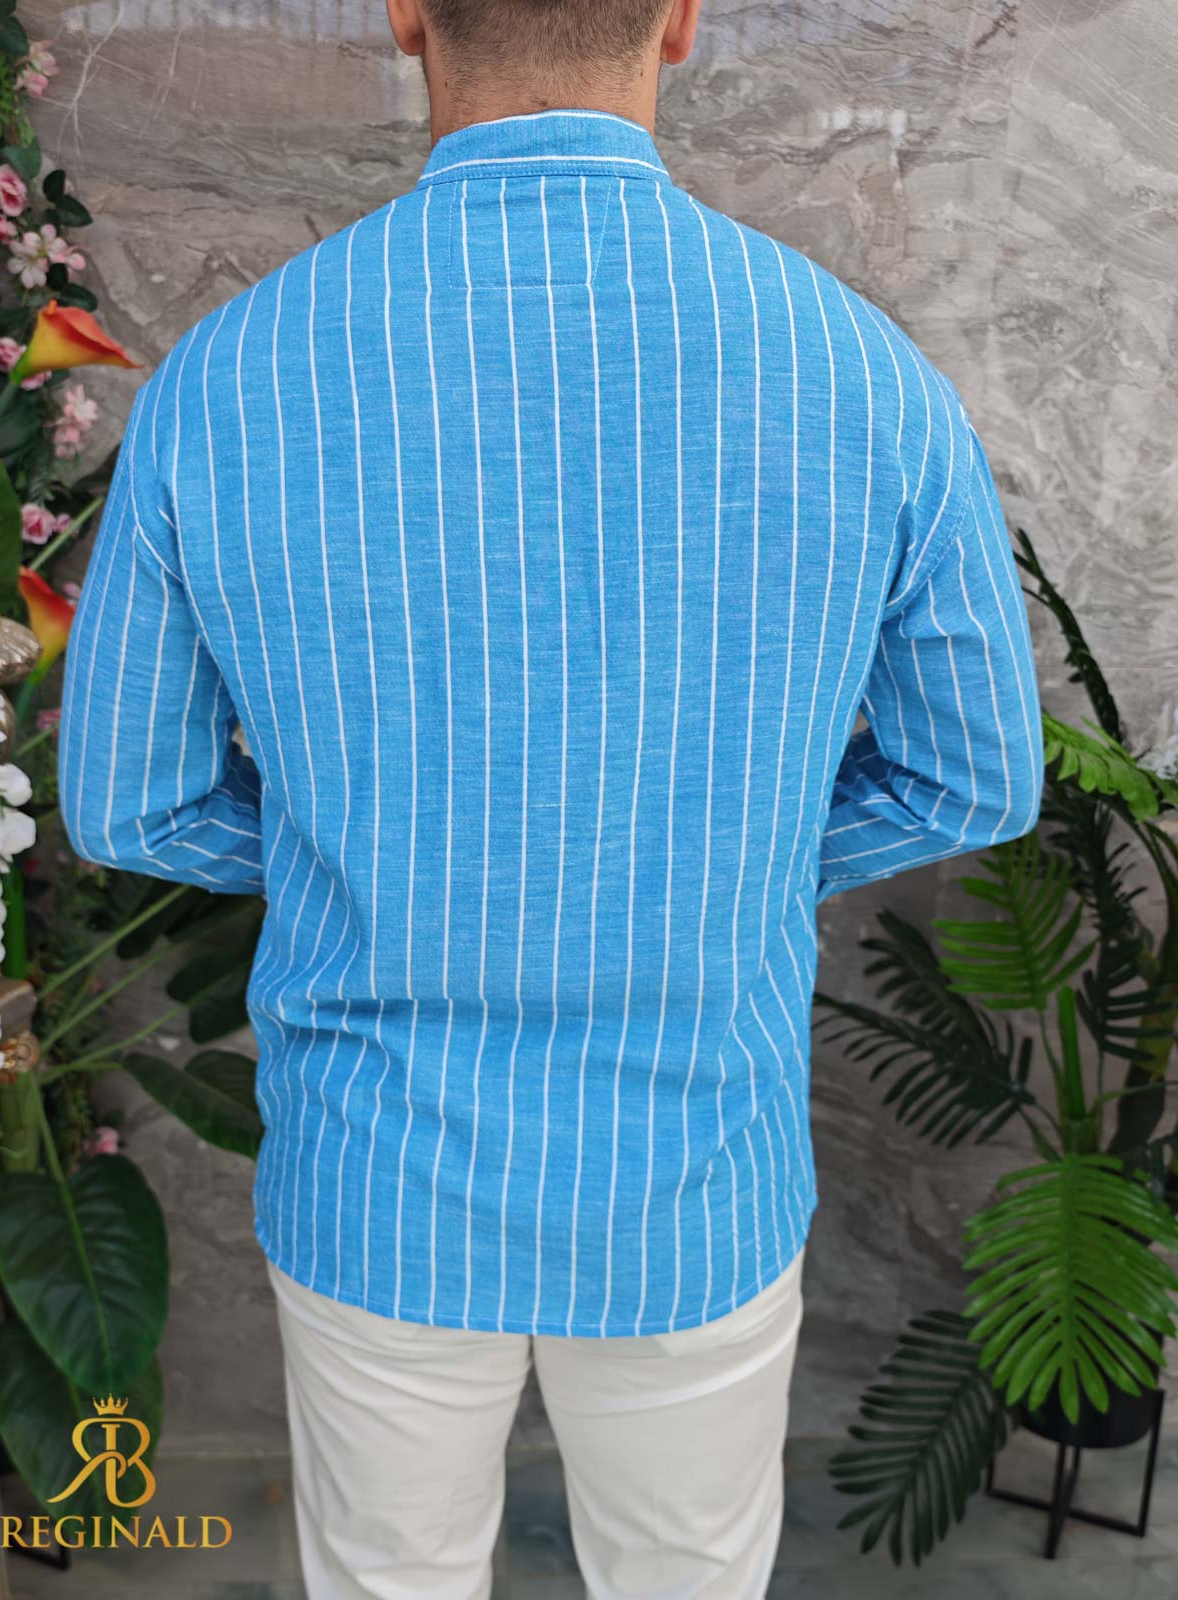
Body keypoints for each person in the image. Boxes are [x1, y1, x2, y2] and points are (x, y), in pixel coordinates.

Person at [58, 0, 1045, 1593]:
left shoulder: (230, 377)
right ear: (681, 19)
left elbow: (129, 805)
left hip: (378, 1166)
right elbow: (973, 773)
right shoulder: (857, 369)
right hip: (692, 1166)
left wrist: (364, 862)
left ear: (404, 13)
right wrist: (735, 860)